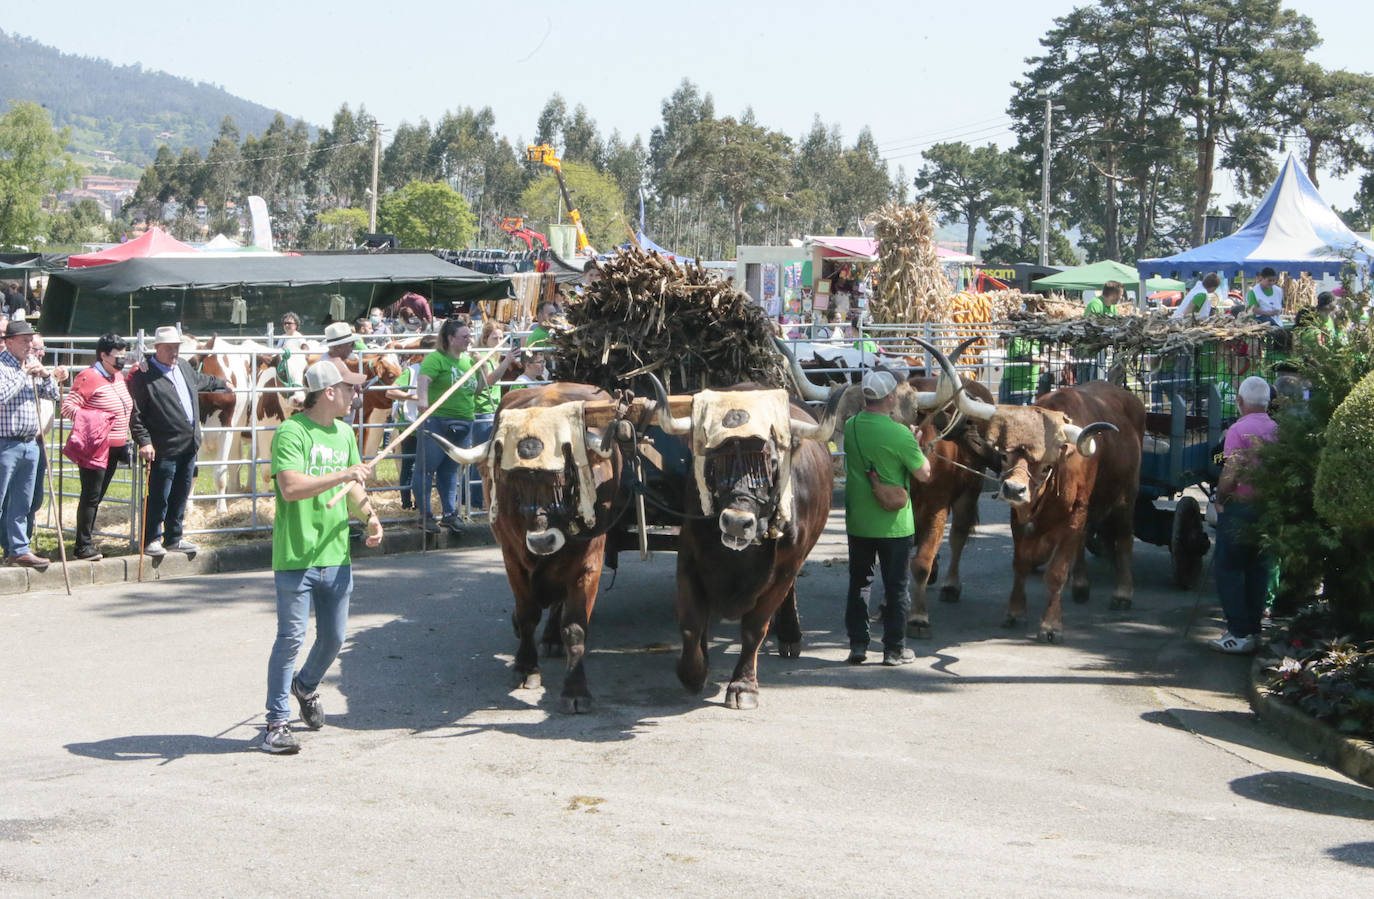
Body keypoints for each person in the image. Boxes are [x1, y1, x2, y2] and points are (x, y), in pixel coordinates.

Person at [262, 360, 383, 755]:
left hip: (335, 552)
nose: (355, 394)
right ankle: (276, 722)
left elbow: (352, 488)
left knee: (334, 637)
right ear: (329, 391)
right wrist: (344, 475)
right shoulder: (291, 432)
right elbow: (292, 487)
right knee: (291, 637)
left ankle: (306, 685)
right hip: (296, 552)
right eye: (349, 388)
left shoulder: (346, 432)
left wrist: (370, 517)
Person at [842, 370, 932, 666]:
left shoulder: (852, 425)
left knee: (860, 583)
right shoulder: (900, 434)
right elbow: (924, 474)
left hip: (859, 521)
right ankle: (894, 649)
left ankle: (858, 645)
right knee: (896, 587)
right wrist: (917, 447)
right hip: (895, 525)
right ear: (891, 397)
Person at [128, 326, 229, 557]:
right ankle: (151, 538)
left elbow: (200, 380)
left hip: (189, 443)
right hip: (163, 445)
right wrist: (144, 441)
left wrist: (222, 384)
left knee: (181, 493)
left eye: (176, 347)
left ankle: (174, 536)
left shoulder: (183, 367)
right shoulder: (144, 375)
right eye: (169, 348)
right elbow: (136, 413)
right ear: (157, 348)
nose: (174, 352)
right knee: (159, 494)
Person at [1211, 376, 1279, 654]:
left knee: (1228, 568)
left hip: (1241, 506)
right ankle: (1253, 629)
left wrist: (1220, 497)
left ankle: (1237, 632)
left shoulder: (1238, 430)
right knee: (1258, 568)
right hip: (1269, 507)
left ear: (1240, 402)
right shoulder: (1278, 429)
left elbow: (1232, 472)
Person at [60, 333, 134, 561]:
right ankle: (82, 545)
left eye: (124, 355)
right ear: (103, 355)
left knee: (98, 495)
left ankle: (87, 539)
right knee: (91, 496)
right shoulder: (88, 377)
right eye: (117, 356)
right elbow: (68, 407)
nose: (121, 360)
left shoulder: (118, 377)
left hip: (115, 446)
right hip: (96, 447)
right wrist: (95, 419)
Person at [0, 321, 68, 569]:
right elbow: (1, 395)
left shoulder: (31, 365)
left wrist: (46, 376)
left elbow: (52, 395)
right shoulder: (3, 366)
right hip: (4, 443)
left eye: (31, 340)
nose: (30, 345)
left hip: (31, 443)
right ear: (9, 342)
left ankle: (18, 549)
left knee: (23, 501)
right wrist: (24, 375)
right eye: (24, 340)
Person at [383, 335, 436, 509]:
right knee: (409, 464)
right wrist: (412, 396)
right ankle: (406, 503)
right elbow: (390, 392)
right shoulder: (413, 370)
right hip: (411, 424)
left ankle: (422, 502)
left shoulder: (441, 369)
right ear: (423, 354)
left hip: (432, 424)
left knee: (427, 465)